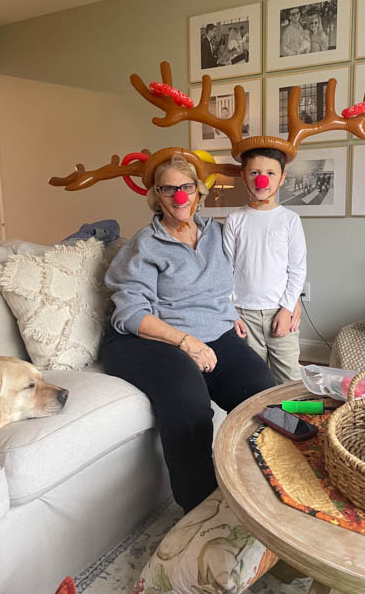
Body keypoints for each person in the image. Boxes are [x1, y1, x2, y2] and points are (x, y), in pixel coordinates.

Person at [101, 155, 275, 514]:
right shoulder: (145, 245)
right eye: (168, 189)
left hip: (213, 331)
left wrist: (238, 310)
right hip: (151, 338)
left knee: (261, 388)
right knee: (189, 402)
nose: (179, 197)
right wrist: (186, 342)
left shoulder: (217, 233)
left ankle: (271, 480)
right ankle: (200, 509)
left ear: (199, 191)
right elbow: (131, 313)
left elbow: (239, 279)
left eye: (186, 187)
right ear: (156, 196)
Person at [223, 148, 307, 385]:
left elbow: (297, 269)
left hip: (279, 311)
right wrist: (231, 312)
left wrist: (287, 308)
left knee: (289, 379)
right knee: (252, 378)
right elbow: (226, 268)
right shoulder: (235, 219)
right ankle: (263, 411)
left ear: (282, 178)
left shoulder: (290, 220)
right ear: (244, 177)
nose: (262, 179)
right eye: (255, 173)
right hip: (244, 313)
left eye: (270, 173)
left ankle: (294, 412)